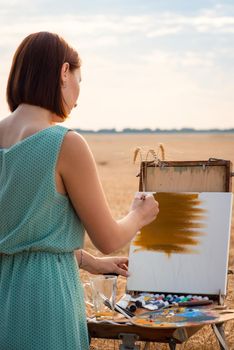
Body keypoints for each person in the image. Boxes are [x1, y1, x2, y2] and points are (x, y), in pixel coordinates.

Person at [0, 32, 159, 350]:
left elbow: (20, 238)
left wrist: (89, 261)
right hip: (47, 300)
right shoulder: (65, 143)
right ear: (62, 73)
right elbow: (110, 238)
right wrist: (138, 215)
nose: (78, 96)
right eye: (79, 80)